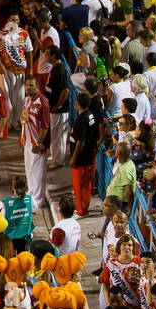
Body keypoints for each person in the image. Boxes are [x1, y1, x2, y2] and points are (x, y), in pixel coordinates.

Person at [70, 88, 106, 216]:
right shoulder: (90, 114)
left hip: (81, 159)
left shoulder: (81, 119)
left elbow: (80, 142)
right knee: (86, 185)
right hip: (89, 156)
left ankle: (81, 210)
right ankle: (84, 206)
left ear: (77, 103)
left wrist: (74, 159)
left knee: (80, 186)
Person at [20, 77, 50, 210]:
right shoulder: (26, 100)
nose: (28, 88)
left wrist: (39, 143)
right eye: (27, 86)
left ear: (37, 86)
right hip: (27, 141)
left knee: (38, 172)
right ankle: (31, 193)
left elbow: (45, 126)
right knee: (30, 170)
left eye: (31, 85)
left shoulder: (42, 103)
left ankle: (38, 200)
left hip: (37, 143)